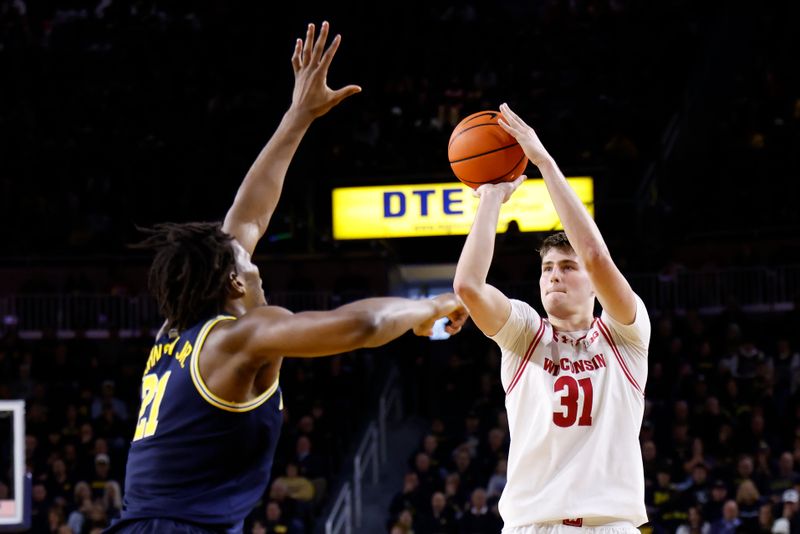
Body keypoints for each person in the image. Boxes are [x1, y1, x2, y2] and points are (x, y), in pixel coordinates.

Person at [106, 22, 467, 534]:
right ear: (232, 282)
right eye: (241, 258)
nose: (249, 250)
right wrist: (429, 306)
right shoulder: (238, 337)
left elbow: (247, 216)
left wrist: (298, 115)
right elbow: (361, 326)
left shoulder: (176, 332)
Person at [453, 103, 650, 532]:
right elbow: (468, 286)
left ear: (593, 283)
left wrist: (543, 161)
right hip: (533, 526)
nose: (554, 276)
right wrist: (490, 197)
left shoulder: (626, 334)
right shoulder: (524, 332)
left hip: (609, 524)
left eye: (566, 267)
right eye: (547, 269)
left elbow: (596, 256)